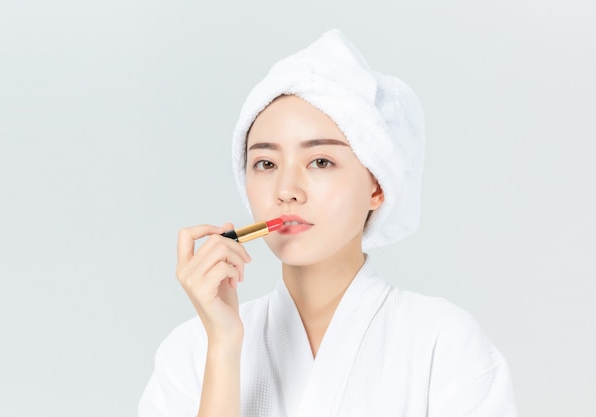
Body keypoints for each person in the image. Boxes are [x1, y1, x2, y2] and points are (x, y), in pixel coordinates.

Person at [138, 29, 518, 417]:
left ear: (377, 186)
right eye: (266, 164)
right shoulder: (191, 352)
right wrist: (223, 346)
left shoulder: (444, 344)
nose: (286, 190)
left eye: (321, 161)